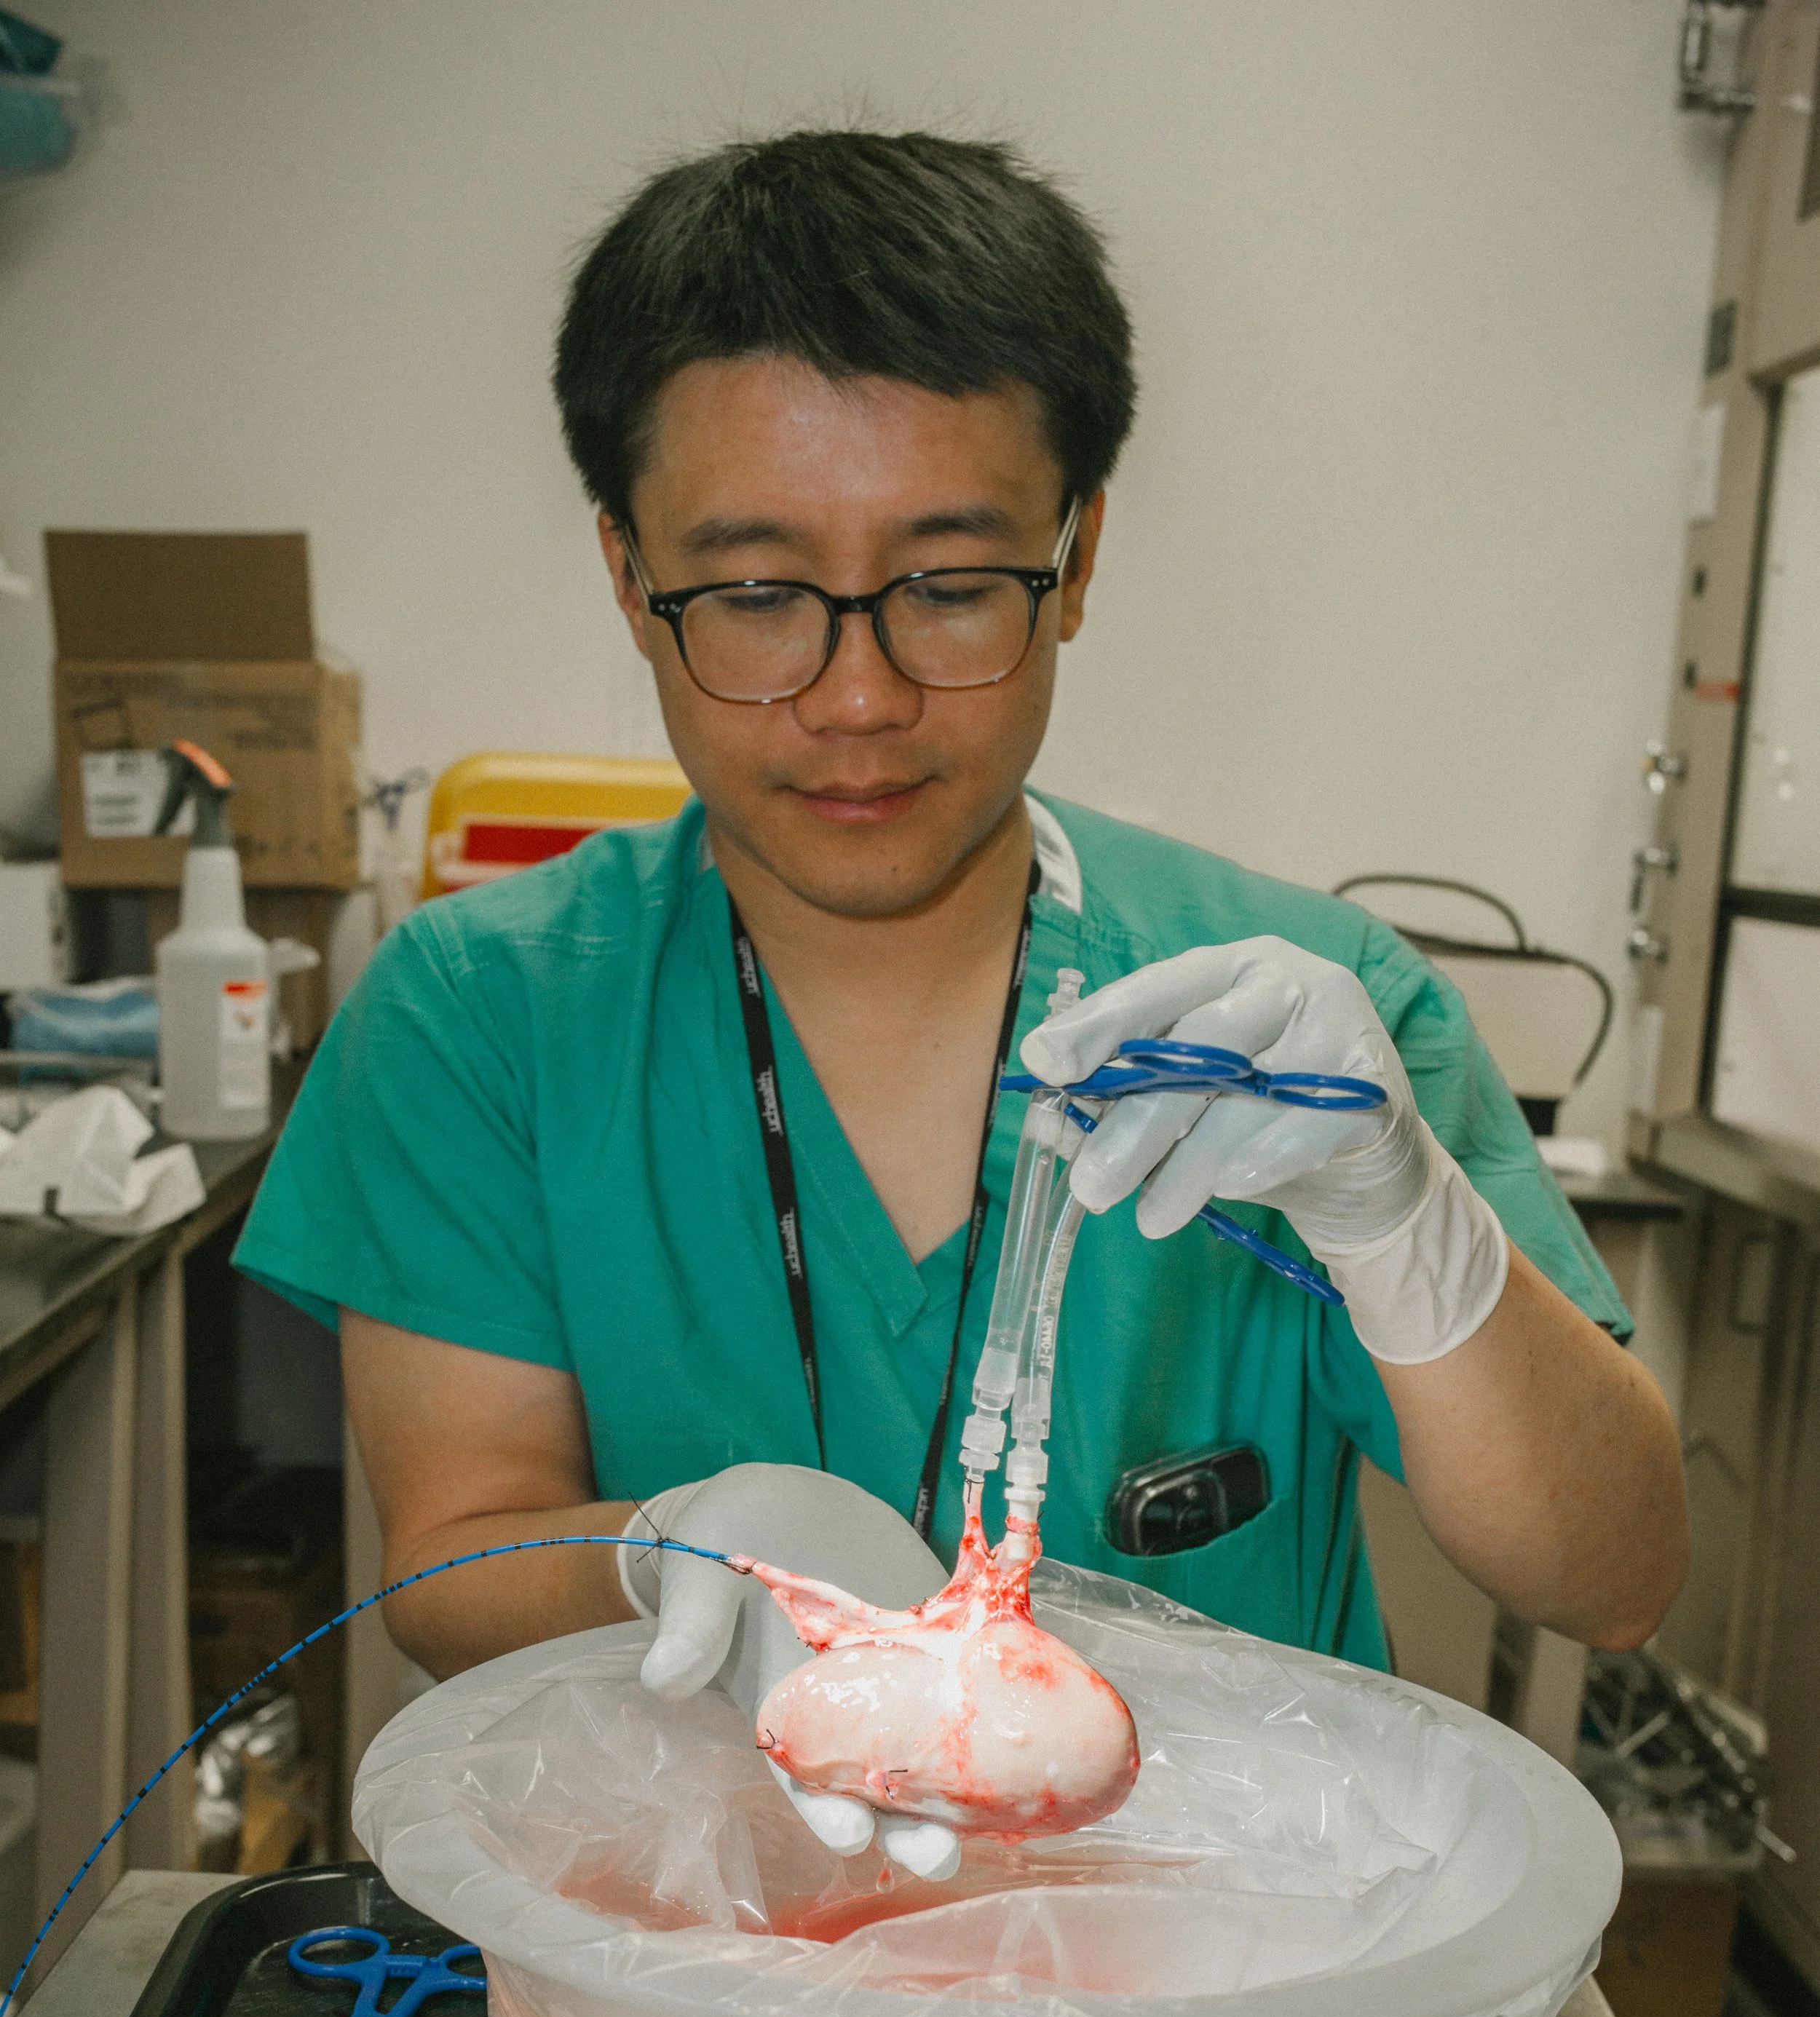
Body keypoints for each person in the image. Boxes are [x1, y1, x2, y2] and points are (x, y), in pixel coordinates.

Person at [237, 128, 1687, 1868]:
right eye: (759, 593)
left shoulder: (1306, 1027)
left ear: (1074, 558)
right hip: (695, 1965)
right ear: (628, 573)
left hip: (1217, 1981)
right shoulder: (484, 1015)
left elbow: (1614, 1574)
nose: (857, 696)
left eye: (944, 585)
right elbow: (449, 1558)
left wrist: (1409, 1232)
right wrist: (668, 1546)